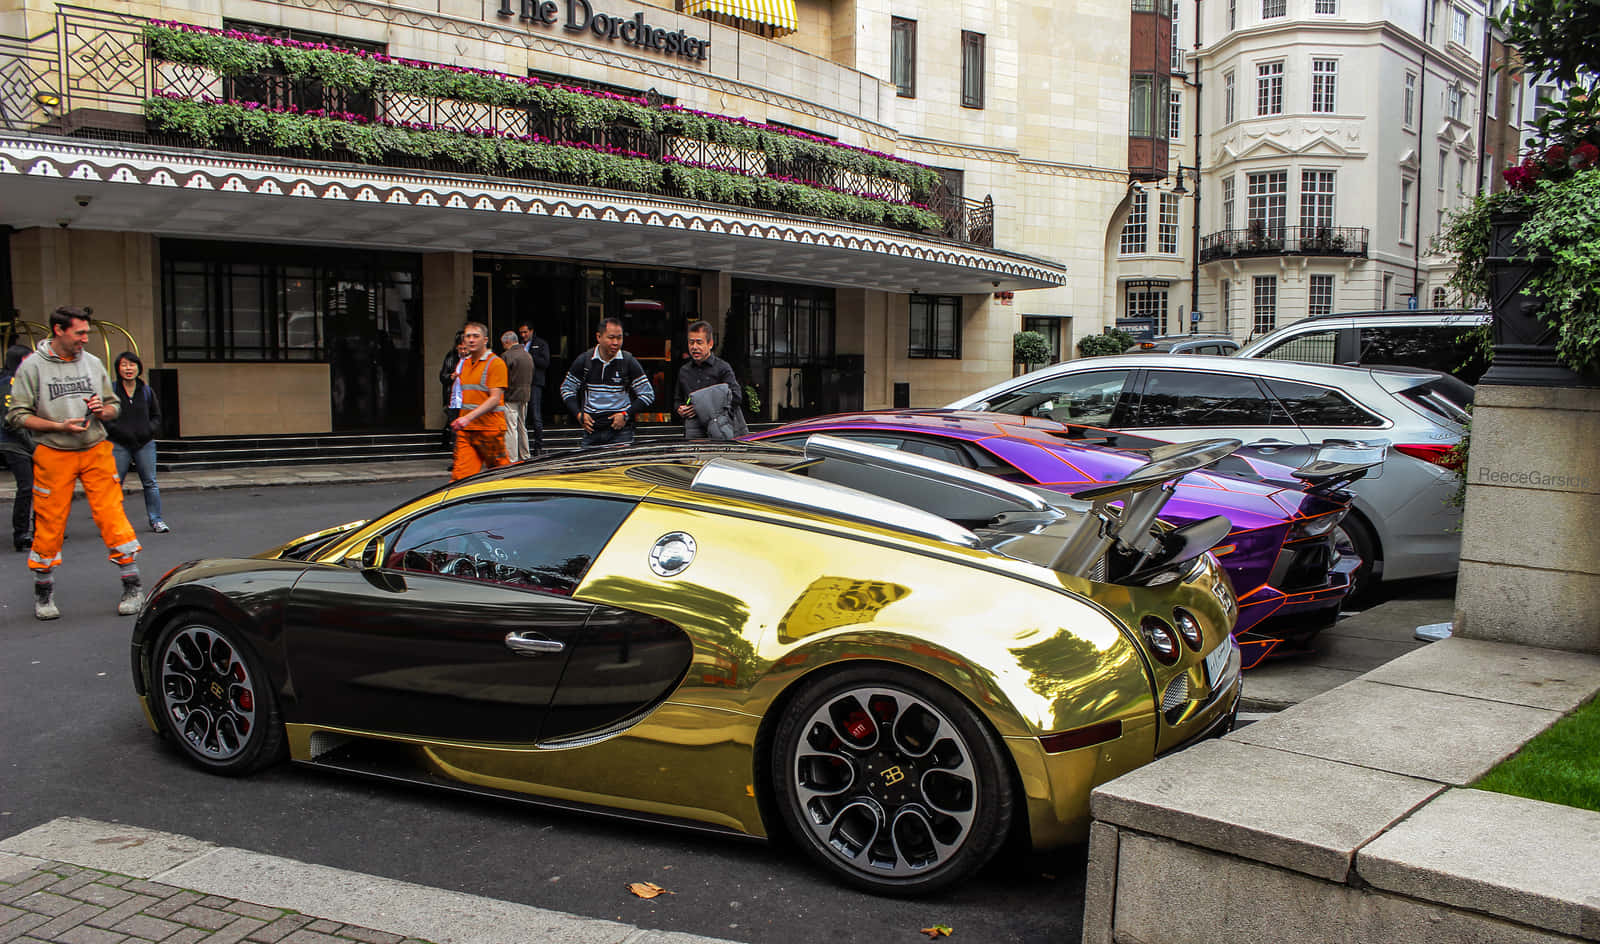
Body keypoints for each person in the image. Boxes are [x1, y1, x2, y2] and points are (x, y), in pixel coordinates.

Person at [6, 306, 143, 620]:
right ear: (58, 330)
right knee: (49, 520)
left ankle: (133, 585)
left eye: (87, 333)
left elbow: (113, 407)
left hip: (95, 448)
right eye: (79, 333)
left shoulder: (93, 363)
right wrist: (57, 426)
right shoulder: (32, 367)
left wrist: (101, 410)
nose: (85, 339)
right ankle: (44, 593)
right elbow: (16, 415)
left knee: (111, 513)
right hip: (53, 452)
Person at [560, 317, 655, 448]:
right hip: (591, 431)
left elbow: (647, 394)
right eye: (611, 338)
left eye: (619, 338)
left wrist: (625, 415)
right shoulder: (585, 360)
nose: (615, 342)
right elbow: (567, 389)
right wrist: (579, 414)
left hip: (621, 433)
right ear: (599, 337)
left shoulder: (628, 361)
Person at [104, 351, 168, 534]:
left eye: (132, 364)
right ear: (118, 368)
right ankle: (114, 523)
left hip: (144, 444)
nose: (128, 368)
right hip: (118, 444)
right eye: (124, 365)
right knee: (115, 485)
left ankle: (156, 520)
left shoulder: (146, 391)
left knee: (150, 483)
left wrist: (148, 430)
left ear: (138, 367)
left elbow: (156, 416)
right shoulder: (112, 390)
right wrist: (119, 432)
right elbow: (105, 418)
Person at [448, 322, 510, 480]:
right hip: (468, 430)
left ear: (485, 340)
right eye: (468, 336)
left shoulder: (495, 363)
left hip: (489, 430)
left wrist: (467, 417)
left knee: (501, 475)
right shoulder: (465, 364)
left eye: (476, 336)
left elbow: (495, 399)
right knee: (460, 478)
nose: (471, 340)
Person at [675, 320, 745, 440]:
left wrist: (702, 407)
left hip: (719, 432)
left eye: (699, 342)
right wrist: (680, 409)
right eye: (691, 343)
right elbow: (677, 399)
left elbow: (736, 397)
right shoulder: (684, 371)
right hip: (693, 434)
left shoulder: (722, 368)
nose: (694, 347)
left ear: (710, 344)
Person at [0, 342, 35, 552]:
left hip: (26, 442)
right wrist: (33, 447)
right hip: (13, 443)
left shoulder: (25, 382)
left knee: (37, 487)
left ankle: (42, 528)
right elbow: (11, 420)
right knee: (27, 486)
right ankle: (21, 533)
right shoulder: (9, 383)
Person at [500, 330, 533, 462]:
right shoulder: (527, 355)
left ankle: (512, 458)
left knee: (511, 428)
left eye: (503, 344)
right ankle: (525, 455)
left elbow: (502, 377)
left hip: (511, 396)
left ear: (507, 342)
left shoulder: (507, 356)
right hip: (525, 396)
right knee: (522, 426)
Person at [517, 321, 551, 455]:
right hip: (521, 383)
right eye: (521, 333)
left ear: (531, 331)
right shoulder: (519, 345)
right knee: (520, 416)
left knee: (536, 414)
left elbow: (545, 362)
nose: (523, 335)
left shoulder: (540, 344)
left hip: (535, 383)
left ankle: (538, 446)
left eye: (525, 332)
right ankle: (521, 447)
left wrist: (529, 356)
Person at [438, 330, 465, 451]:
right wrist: (450, 377)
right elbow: (443, 376)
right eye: (460, 348)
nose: (463, 351)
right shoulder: (451, 358)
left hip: (467, 400)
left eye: (465, 348)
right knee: (455, 431)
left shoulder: (473, 360)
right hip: (454, 399)